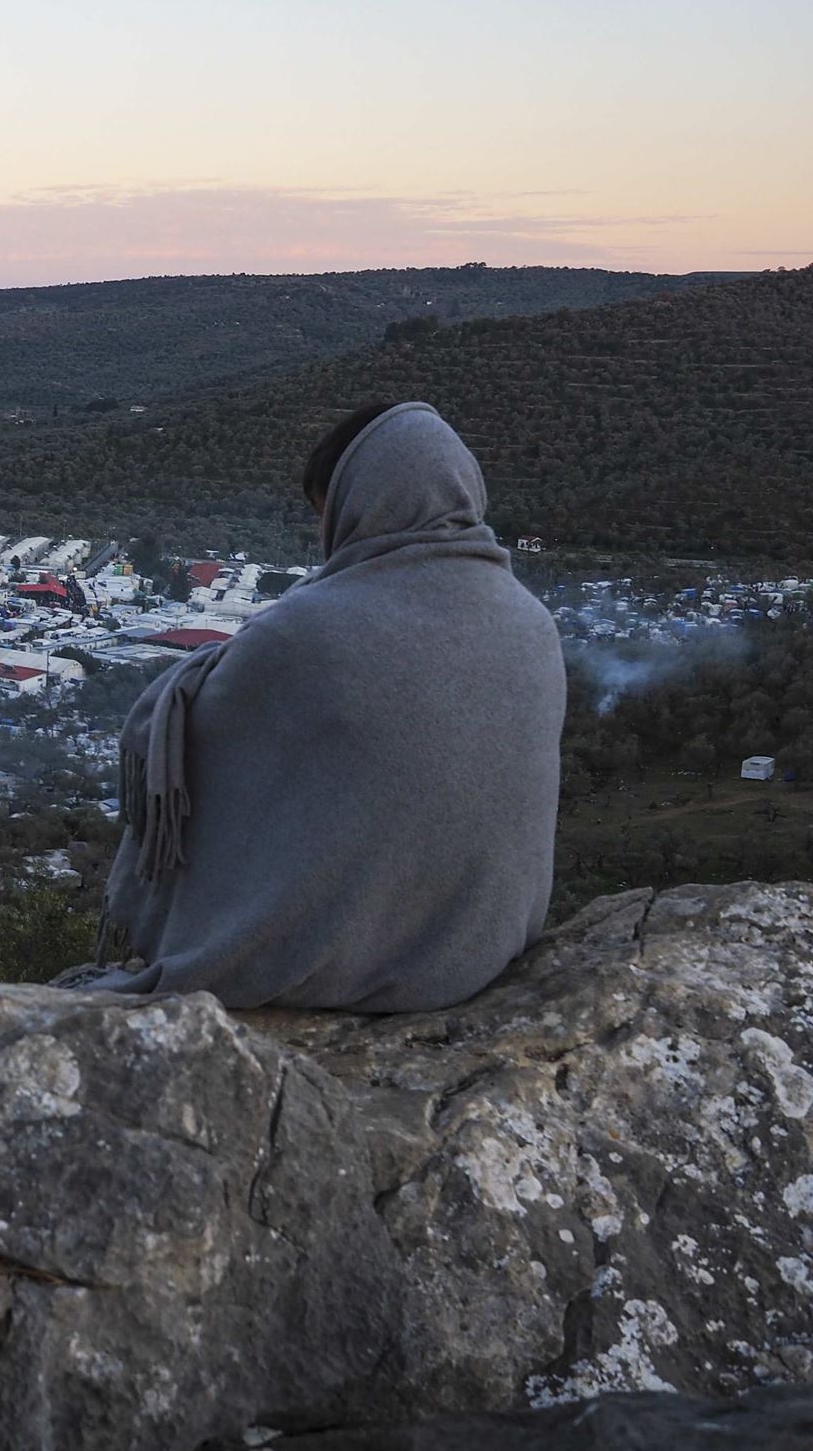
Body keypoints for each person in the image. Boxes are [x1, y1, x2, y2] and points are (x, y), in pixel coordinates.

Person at [87, 400, 564, 1012]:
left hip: (343, 965)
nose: (324, 536)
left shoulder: (308, 630)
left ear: (366, 504)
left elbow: (206, 740)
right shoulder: (532, 621)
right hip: (477, 956)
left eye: (330, 514)